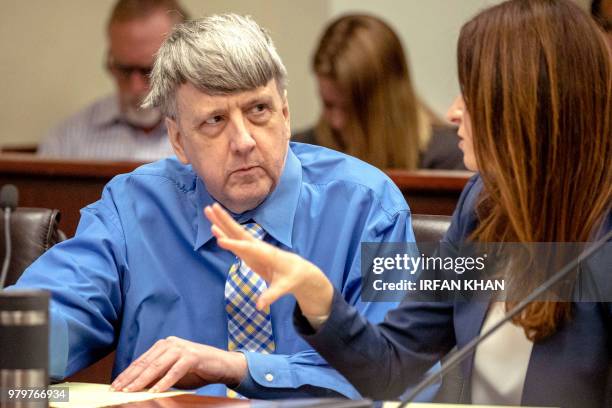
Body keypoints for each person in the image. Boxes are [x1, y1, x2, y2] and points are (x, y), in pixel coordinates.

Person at [206, 0, 612, 406]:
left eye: (471, 94)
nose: (453, 112)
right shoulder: (483, 208)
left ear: (527, 107)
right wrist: (318, 296)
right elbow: (391, 367)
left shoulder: (603, 236)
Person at [10, 14, 416, 399]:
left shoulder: (371, 209)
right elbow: (50, 318)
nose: (243, 140)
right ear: (178, 140)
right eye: (215, 120)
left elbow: (399, 370)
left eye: (259, 110)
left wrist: (239, 368)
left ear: (286, 114)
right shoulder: (133, 209)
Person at [293, 14, 465, 170]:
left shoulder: (449, 158)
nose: (337, 122)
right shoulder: (300, 153)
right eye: (328, 105)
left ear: (390, 103)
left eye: (354, 109)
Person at [37, 0, 187, 161]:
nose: (135, 87)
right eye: (123, 69)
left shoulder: (209, 136)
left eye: (149, 71)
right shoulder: (67, 141)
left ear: (183, 62)